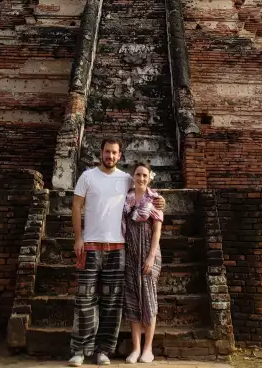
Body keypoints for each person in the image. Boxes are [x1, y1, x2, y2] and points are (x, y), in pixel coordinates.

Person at [69, 138, 165, 366]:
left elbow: (147, 191)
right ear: (100, 153)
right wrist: (78, 238)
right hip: (90, 246)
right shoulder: (88, 176)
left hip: (117, 249)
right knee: (85, 299)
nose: (110, 156)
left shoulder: (126, 179)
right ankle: (80, 350)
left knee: (112, 302)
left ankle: (103, 350)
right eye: (107, 152)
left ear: (119, 155)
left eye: (114, 153)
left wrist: (162, 201)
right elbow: (75, 206)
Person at [123, 162, 163, 364]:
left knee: (148, 299)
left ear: (149, 177)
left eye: (145, 175)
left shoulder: (155, 199)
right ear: (133, 176)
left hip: (149, 253)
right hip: (130, 254)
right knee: (132, 301)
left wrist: (151, 255)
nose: (141, 178)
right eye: (138, 174)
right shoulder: (127, 198)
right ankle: (136, 348)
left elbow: (157, 230)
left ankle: (148, 348)